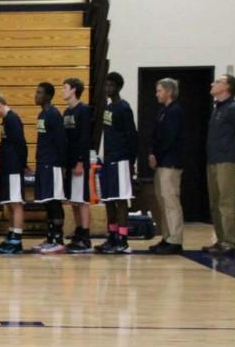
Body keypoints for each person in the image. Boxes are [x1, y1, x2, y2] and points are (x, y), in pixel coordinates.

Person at [203, 73, 235, 258]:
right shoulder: (218, 108)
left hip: (228, 161)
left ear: (227, 87)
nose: (212, 83)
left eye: (218, 82)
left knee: (228, 203)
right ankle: (221, 239)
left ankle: (231, 242)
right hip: (213, 160)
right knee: (215, 203)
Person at [95, 72, 138, 255]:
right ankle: (112, 236)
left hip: (121, 160)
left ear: (119, 87)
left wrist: (131, 162)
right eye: (106, 85)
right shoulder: (109, 107)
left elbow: (132, 136)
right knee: (109, 200)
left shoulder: (123, 107)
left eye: (111, 86)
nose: (107, 89)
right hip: (109, 160)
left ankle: (123, 239)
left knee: (120, 200)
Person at [148, 78, 185, 255]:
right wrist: (152, 153)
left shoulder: (175, 111)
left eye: (159, 91)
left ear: (169, 92)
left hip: (171, 162)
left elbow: (170, 138)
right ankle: (167, 236)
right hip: (162, 162)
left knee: (171, 201)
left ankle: (175, 239)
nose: (157, 94)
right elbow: (157, 135)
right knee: (162, 201)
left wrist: (158, 155)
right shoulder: (163, 111)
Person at [0, 94, 27, 254]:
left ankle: (17, 239)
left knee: (16, 203)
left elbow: (20, 144)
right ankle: (11, 235)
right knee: (10, 203)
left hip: (14, 169)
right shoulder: (6, 120)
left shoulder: (12, 119)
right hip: (7, 168)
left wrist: (22, 165)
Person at [32, 82, 69, 254]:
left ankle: (58, 239)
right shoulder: (42, 114)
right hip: (43, 164)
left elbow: (61, 142)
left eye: (39, 93)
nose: (36, 95)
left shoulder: (54, 114)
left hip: (53, 164)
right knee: (47, 202)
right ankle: (50, 237)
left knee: (54, 201)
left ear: (48, 96)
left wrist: (61, 165)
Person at [61, 78, 93, 254]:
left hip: (79, 162)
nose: (62, 91)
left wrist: (80, 162)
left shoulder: (84, 110)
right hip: (69, 161)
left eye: (65, 88)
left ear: (74, 90)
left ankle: (86, 237)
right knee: (73, 200)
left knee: (82, 201)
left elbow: (84, 138)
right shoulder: (66, 112)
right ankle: (79, 232)